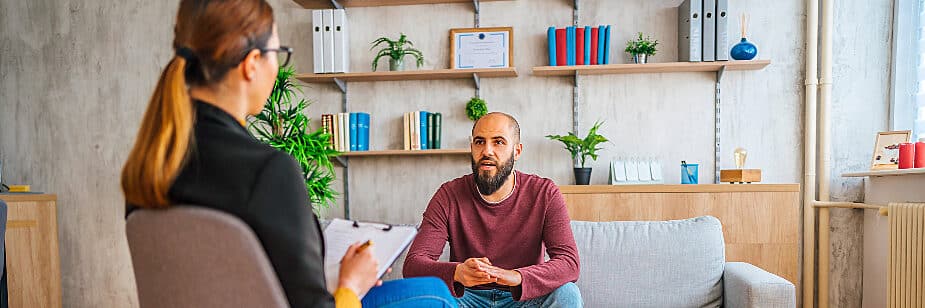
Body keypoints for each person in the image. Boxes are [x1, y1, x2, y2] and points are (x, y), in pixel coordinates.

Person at [120, 1, 455, 307]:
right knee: (436, 295)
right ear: (252, 64)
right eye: (277, 52)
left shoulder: (153, 164)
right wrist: (351, 285)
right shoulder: (267, 171)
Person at [403, 112, 583, 307]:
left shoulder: (545, 193)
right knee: (425, 296)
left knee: (567, 293)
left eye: (498, 142)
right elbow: (414, 264)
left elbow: (569, 262)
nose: (487, 151)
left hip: (523, 299)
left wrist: (517, 276)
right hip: (466, 299)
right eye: (480, 142)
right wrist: (457, 272)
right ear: (471, 148)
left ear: (517, 151)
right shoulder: (448, 195)